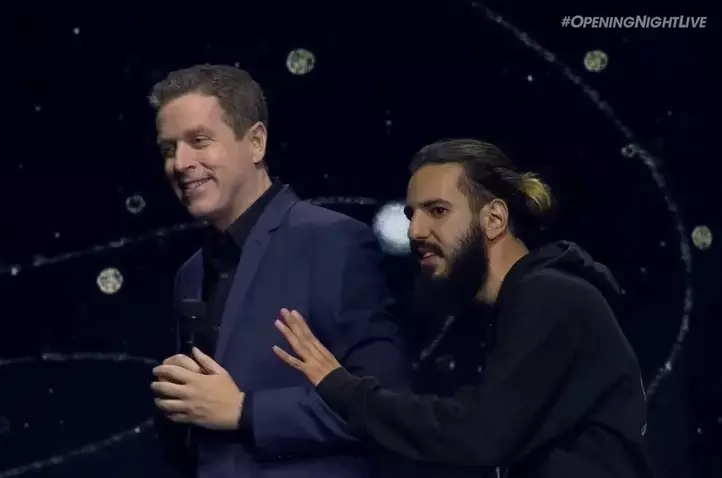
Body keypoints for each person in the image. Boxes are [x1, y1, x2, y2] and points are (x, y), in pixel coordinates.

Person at [272, 139, 657, 478]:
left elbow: (478, 434)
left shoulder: (551, 297)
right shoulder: (504, 310)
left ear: (494, 219)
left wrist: (343, 388)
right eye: (411, 214)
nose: (414, 231)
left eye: (437, 211)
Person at [146, 64, 410, 478]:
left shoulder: (332, 242)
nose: (180, 163)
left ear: (255, 142)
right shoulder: (190, 274)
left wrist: (244, 410)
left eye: (199, 141)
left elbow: (388, 408)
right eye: (168, 149)